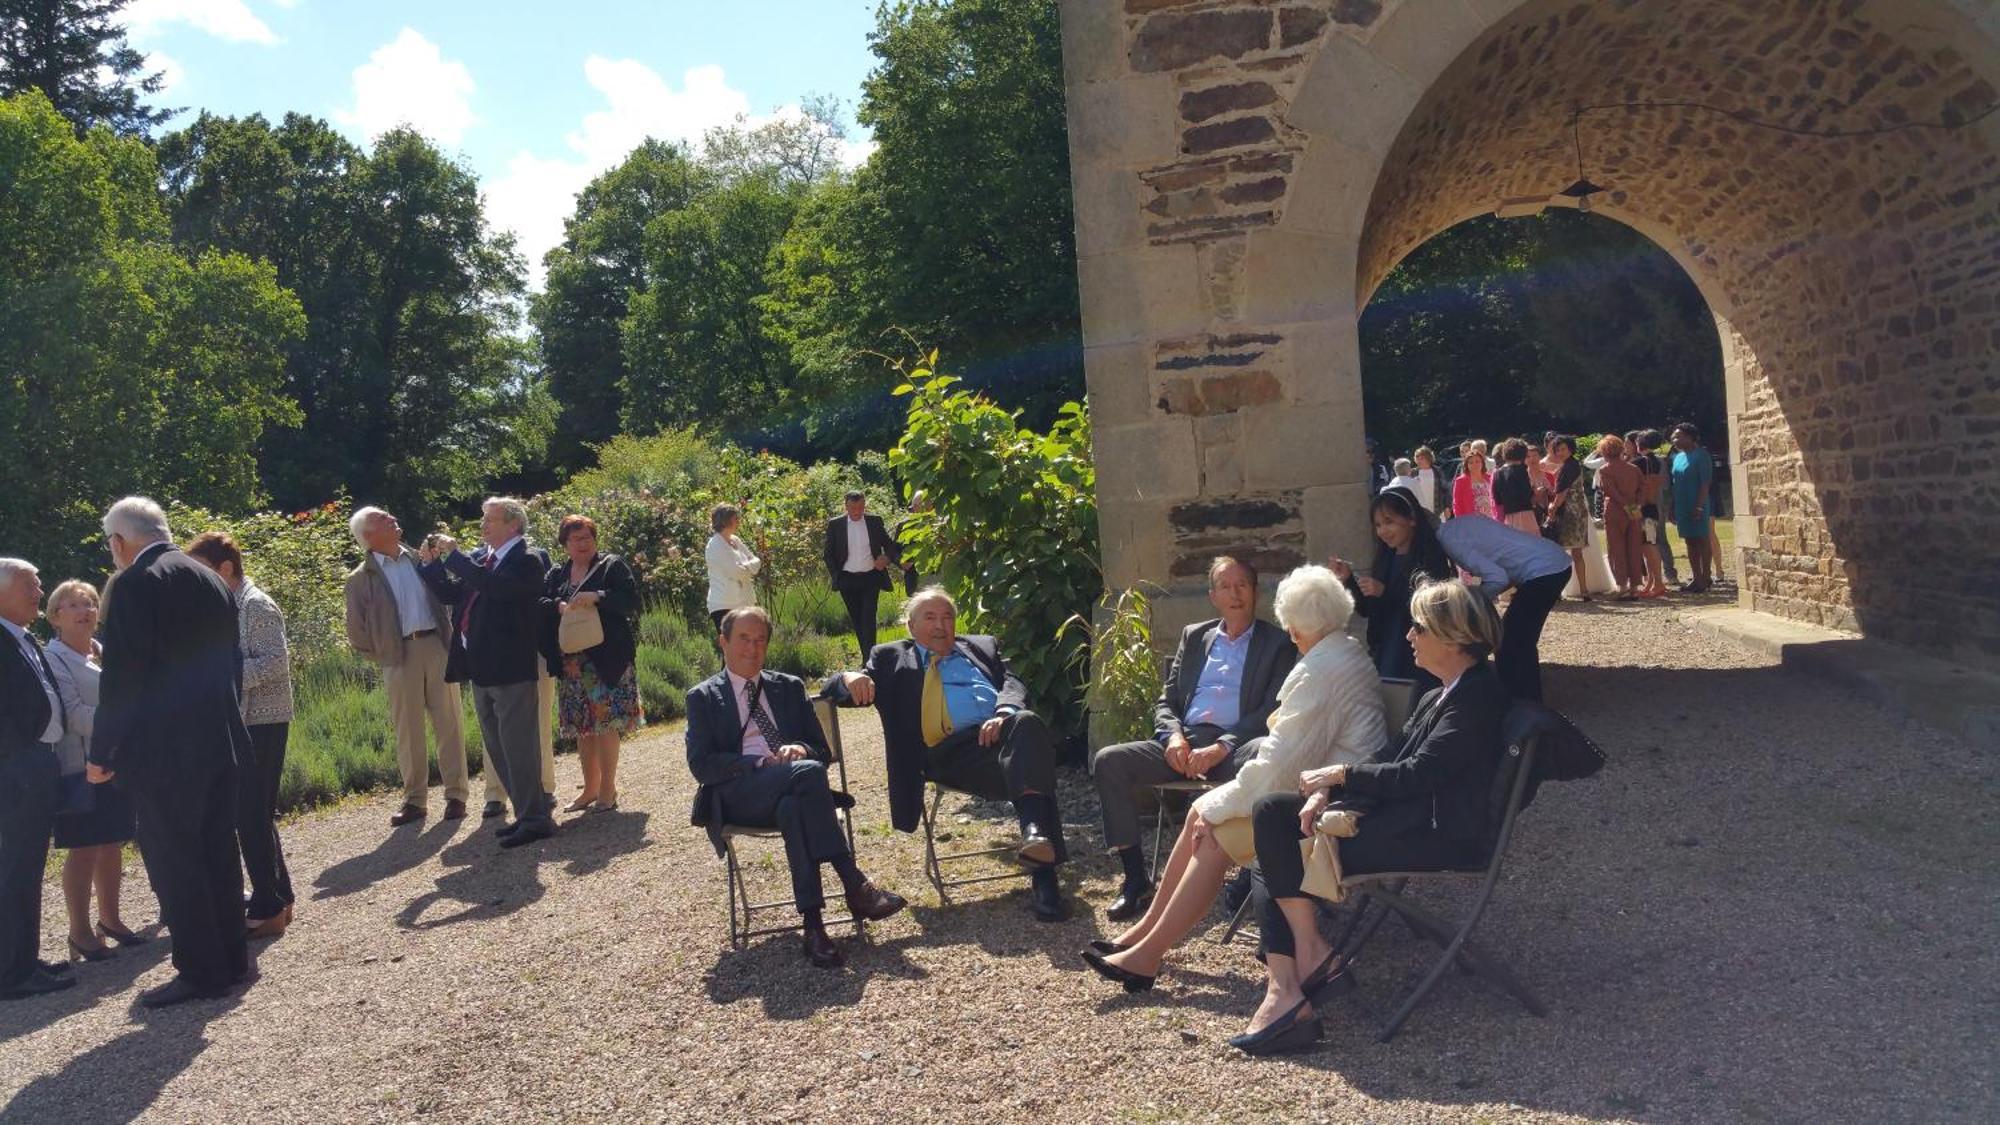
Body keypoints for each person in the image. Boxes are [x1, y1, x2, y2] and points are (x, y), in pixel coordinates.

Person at [1235, 579, 1510, 1055]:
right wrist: (1331, 794)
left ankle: (1289, 987)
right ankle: (1307, 961)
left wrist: (1341, 776)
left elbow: (1420, 775)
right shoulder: (1441, 694)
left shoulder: (1477, 698)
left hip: (1437, 836)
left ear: (1452, 636)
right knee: (1274, 817)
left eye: (1418, 627)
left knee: (1274, 843)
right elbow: (1393, 757)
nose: (1408, 636)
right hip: (1413, 821)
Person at [1082, 565, 1384, 994]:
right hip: (1318, 787)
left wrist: (1216, 804)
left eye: (1291, 623)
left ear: (1299, 622)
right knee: (1199, 817)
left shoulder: (1321, 670)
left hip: (1328, 803)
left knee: (1213, 833)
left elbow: (1281, 762)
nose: (1289, 632)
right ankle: (1145, 935)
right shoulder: (1341, 653)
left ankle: (1148, 956)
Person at [88, 497, 253, 1007]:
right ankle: (231, 959)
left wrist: (104, 749)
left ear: (118, 542)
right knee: (218, 849)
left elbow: (123, 677)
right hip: (219, 737)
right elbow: (233, 663)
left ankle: (201, 971)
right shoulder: (206, 577)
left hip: (163, 751)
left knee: (176, 858)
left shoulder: (137, 583)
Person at [829, 586, 1074, 920]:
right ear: (911, 626)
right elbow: (838, 691)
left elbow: (1013, 684)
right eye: (930, 617)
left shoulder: (982, 646)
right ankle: (1045, 876)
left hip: (1000, 740)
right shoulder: (890, 656)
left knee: (1026, 727)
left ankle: (1036, 842)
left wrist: (1002, 715)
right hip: (946, 753)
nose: (940, 625)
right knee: (1031, 761)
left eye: (947, 617)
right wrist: (848, 676)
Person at [686, 607, 908, 966]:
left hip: (794, 790)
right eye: (744, 638)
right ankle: (855, 884)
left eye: (760, 640)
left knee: (795, 804)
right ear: (722, 641)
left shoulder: (788, 687)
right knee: (805, 775)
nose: (753, 648)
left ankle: (814, 926)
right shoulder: (704, 697)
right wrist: (758, 762)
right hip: (740, 793)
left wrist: (800, 748)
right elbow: (701, 764)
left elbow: (820, 751)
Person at [1090, 557, 1296, 922]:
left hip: (1234, 747)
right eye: (1225, 587)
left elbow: (1270, 708)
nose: (1234, 594)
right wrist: (1172, 738)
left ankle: (1250, 876)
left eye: (1242, 586)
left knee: (1265, 753)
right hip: (1183, 744)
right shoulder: (1195, 636)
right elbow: (1167, 701)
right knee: (1110, 760)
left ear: (1255, 592)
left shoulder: (1276, 643)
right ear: (1212, 595)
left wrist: (1222, 746)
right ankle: (1136, 880)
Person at [418, 497, 557, 847]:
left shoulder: (527, 559)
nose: (483, 527)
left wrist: (456, 558)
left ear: (513, 524)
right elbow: (454, 593)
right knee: (498, 747)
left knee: (519, 746)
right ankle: (530, 811)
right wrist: (432, 565)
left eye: (490, 520)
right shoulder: (483, 558)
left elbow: (496, 588)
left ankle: (535, 818)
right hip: (480, 666)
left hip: (510, 667)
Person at [186, 533, 296, 940]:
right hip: (244, 722)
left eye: (199, 568)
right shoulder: (226, 606)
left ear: (225, 568)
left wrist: (220, 680)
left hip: (263, 723)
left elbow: (275, 663)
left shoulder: (256, 605)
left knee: (251, 814)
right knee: (252, 814)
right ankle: (279, 896)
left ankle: (268, 907)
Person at [346, 506, 471, 828]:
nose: (391, 517)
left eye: (390, 514)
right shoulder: (360, 579)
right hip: (397, 656)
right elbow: (356, 633)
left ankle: (456, 796)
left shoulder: (421, 559)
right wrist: (385, 653)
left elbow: (452, 590)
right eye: (382, 519)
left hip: (436, 645)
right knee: (409, 731)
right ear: (368, 537)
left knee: (450, 723)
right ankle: (415, 801)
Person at [43, 579, 144, 962]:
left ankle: (111, 920)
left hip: (114, 763)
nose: (85, 610)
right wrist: (126, 720)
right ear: (55, 617)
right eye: (73, 605)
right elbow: (72, 715)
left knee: (112, 842)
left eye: (89, 603)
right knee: (84, 848)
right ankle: (79, 932)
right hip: (79, 766)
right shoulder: (53, 659)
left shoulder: (102, 652)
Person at [0, 559, 76, 999]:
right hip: (17, 768)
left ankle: (24, 959)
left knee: (28, 867)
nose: (38, 591)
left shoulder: (24, 637)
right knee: (16, 868)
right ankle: (12, 972)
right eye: (30, 585)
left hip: (38, 762)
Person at [546, 515, 642, 813]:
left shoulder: (612, 566)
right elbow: (541, 605)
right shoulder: (557, 574)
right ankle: (589, 788)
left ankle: (608, 789)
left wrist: (598, 596)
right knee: (582, 728)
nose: (583, 543)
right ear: (565, 544)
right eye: (576, 539)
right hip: (573, 664)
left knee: (605, 725)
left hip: (607, 659)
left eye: (587, 537)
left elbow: (632, 601)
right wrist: (557, 605)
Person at [1437, 508, 1573, 702]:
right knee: (1516, 638)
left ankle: (1524, 703)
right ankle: (1523, 700)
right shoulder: (1458, 526)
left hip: (1545, 570)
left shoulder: (1450, 542)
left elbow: (1498, 578)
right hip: (1550, 561)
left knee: (1512, 641)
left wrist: (1470, 601)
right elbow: (1505, 570)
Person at [1329, 488, 1455, 695]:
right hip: (1387, 648)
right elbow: (1369, 609)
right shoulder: (1385, 559)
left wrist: (1385, 593)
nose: (1383, 531)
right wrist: (1349, 581)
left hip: (1417, 653)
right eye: (1378, 525)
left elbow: (1430, 610)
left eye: (1389, 522)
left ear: (1411, 519)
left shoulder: (1431, 559)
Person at [823, 490, 902, 658]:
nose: (857, 512)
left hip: (870, 577)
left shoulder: (874, 522)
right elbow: (828, 554)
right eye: (853, 508)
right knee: (858, 621)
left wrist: (886, 558)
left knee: (868, 619)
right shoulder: (835, 525)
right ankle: (867, 656)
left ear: (865, 505)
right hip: (847, 579)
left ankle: (870, 660)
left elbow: (889, 544)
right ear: (846, 506)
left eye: (860, 508)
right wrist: (836, 575)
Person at [1593, 436, 1644, 600]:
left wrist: (1624, 506)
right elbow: (1642, 489)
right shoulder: (1634, 469)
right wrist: (1636, 506)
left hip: (1615, 511)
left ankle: (1622, 585)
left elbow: (1610, 492)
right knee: (1634, 547)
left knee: (1616, 550)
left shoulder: (1605, 470)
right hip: (1634, 511)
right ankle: (1635, 586)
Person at [1669, 423, 1716, 593]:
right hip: (1682, 503)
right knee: (1689, 540)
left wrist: (1699, 506)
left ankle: (1706, 576)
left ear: (1690, 437)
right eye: (1674, 436)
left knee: (1702, 538)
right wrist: (1672, 505)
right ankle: (1696, 577)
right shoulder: (1678, 457)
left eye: (1678, 436)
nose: (1675, 439)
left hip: (1698, 502)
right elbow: (1675, 482)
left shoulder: (1701, 456)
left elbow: (1705, 483)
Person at [1544, 436, 1592, 599]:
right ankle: (1584, 589)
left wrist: (1553, 507)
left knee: (1560, 553)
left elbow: (1562, 493)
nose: (1560, 452)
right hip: (1580, 510)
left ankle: (1558, 591)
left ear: (1570, 449)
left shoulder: (1568, 467)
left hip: (1567, 513)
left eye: (1563, 449)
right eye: (1558, 449)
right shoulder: (1573, 465)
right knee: (1577, 553)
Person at [704, 503, 762, 635]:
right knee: (732, 649)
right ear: (726, 520)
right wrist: (748, 567)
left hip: (745, 603)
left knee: (747, 646)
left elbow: (757, 562)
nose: (739, 522)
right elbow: (736, 572)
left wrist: (745, 566)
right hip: (724, 605)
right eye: (736, 519)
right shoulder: (715, 545)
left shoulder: (735, 540)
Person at [1630, 430, 1670, 597]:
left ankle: (1658, 583)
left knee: (1648, 545)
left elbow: (1632, 488)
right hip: (1653, 507)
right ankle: (1651, 583)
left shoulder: (1639, 462)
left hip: (1643, 508)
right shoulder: (1657, 462)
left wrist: (1631, 511)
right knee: (1649, 544)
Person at [1490, 439, 1539, 536]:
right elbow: (1526, 494)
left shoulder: (1497, 473)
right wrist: (1535, 492)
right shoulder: (1522, 470)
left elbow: (1496, 497)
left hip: (1508, 516)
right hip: (1525, 514)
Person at [1450, 441, 1495, 521]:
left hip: (1492, 520)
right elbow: (1457, 504)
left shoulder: (1490, 478)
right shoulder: (1460, 481)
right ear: (1466, 465)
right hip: (1471, 521)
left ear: (1482, 463)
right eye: (1471, 462)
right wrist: (1462, 522)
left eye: (1477, 461)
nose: (1475, 465)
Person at [1411, 446, 1448, 517]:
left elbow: (1445, 490)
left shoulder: (1437, 471)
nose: (1418, 461)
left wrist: (1447, 507)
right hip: (1420, 511)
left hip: (1438, 511)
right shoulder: (1413, 472)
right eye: (1417, 458)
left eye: (1421, 459)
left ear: (1428, 458)